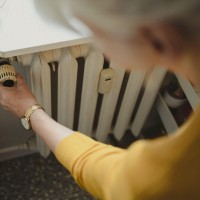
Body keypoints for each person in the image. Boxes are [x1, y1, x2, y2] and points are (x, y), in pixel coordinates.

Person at [1, 0, 200, 199]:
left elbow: (111, 176)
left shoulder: (162, 181)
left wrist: (30, 111)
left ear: (156, 36)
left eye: (94, 32)